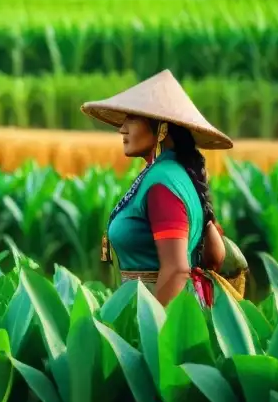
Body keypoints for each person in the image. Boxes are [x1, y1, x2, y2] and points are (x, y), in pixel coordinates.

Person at [80, 70, 235, 307]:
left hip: (156, 313)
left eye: (132, 119)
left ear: (161, 128)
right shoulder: (176, 174)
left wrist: (155, 332)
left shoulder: (163, 182)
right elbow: (216, 254)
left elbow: (176, 270)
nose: (122, 129)